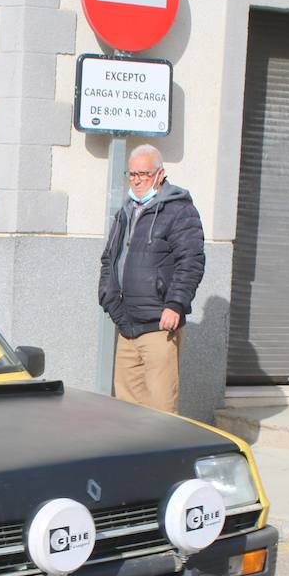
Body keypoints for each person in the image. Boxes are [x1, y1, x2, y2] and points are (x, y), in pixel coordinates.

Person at [98, 143, 205, 413]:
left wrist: (175, 304)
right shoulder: (125, 211)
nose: (136, 181)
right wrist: (109, 297)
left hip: (159, 325)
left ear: (160, 175)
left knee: (160, 410)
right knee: (126, 409)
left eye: (143, 174)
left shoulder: (179, 211)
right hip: (126, 325)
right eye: (132, 174)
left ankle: (162, 455)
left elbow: (190, 262)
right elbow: (109, 259)